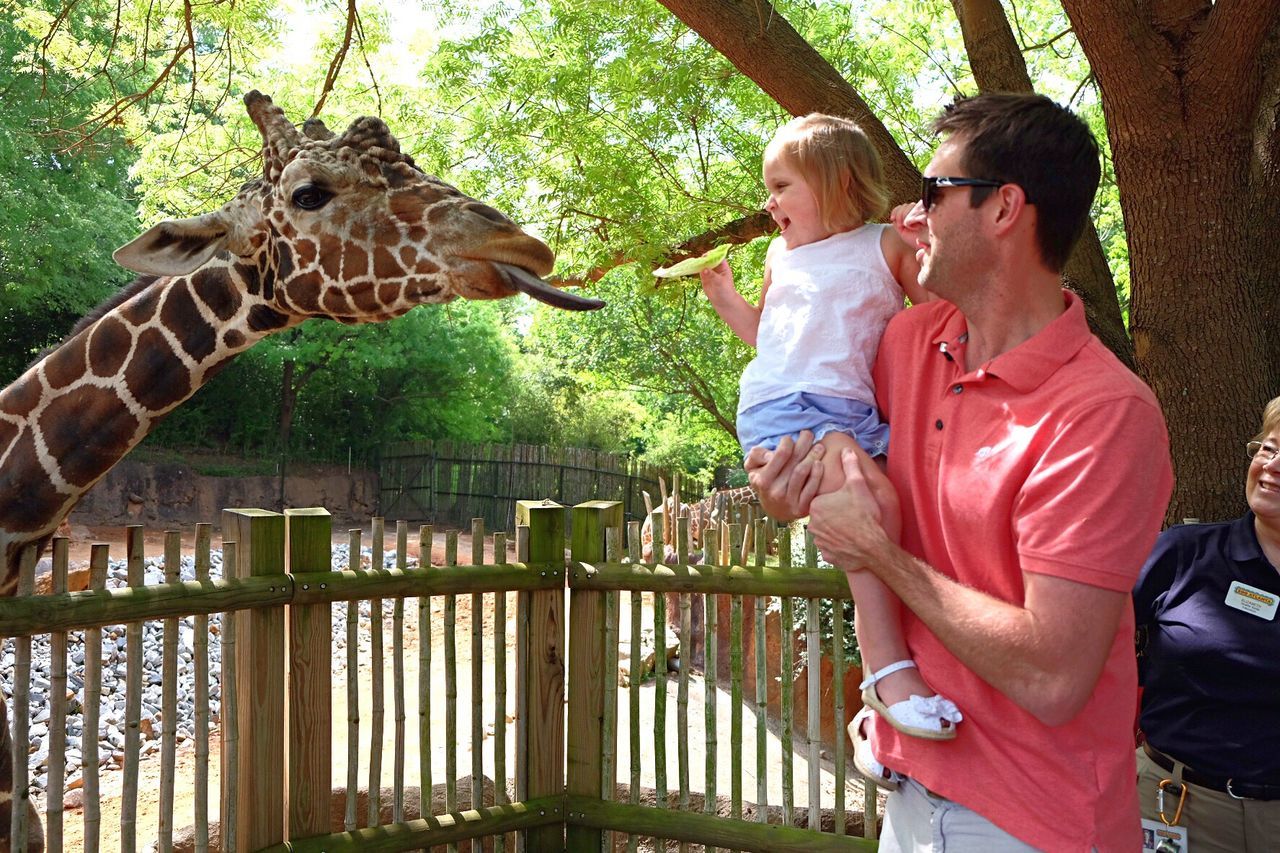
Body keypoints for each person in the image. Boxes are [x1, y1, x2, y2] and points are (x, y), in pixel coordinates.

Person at [746, 93, 1174, 851]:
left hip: (1030, 822)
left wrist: (878, 554)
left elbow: (1053, 676)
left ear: (1005, 208)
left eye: (935, 192)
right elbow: (835, 467)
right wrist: (790, 492)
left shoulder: (1104, 412)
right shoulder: (906, 343)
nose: (918, 212)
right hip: (910, 794)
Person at [698, 113, 961, 764]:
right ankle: (888, 676)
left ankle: (882, 722)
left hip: (845, 409)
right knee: (866, 509)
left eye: (782, 185)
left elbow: (944, 302)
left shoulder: (881, 245)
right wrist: (727, 297)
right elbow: (771, 337)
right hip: (784, 403)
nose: (769, 202)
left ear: (837, 183)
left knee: (891, 507)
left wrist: (928, 242)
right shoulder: (779, 255)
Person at [1133, 394, 1280, 851]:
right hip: (1179, 807)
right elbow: (1076, 645)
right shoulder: (1182, 554)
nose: (1272, 465)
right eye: (1270, 448)